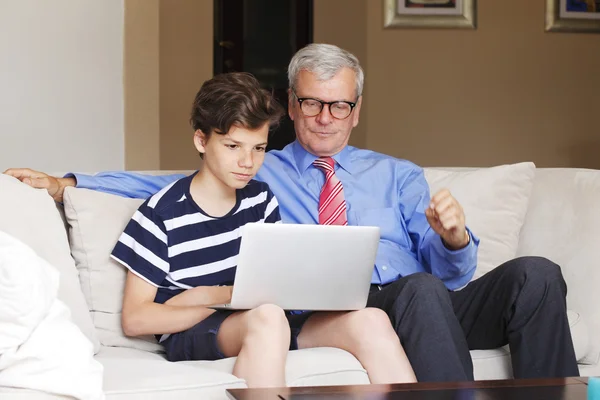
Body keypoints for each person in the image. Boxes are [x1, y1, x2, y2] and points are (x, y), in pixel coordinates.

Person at [4, 43, 579, 382]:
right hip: (374, 301)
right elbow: (170, 181)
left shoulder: (398, 174)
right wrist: (68, 183)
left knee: (535, 274)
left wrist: (455, 238)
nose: (325, 117)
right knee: (421, 288)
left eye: (339, 105)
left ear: (357, 110)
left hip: (433, 303)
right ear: (292, 105)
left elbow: (453, 277)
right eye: (311, 102)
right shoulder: (263, 169)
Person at [106, 72, 416, 388]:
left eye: (259, 148)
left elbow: (272, 285)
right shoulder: (162, 213)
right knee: (267, 318)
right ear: (202, 140)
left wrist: (209, 295)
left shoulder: (260, 198)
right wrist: (217, 299)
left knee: (371, 320)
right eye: (233, 146)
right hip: (203, 330)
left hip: (269, 315)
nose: (247, 162)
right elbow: (136, 319)